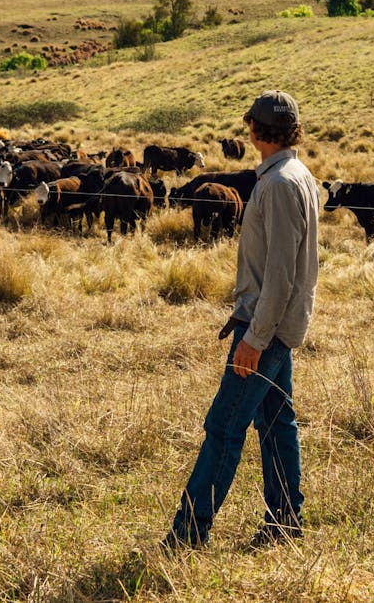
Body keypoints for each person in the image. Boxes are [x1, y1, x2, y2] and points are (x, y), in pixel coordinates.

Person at [162, 89, 319, 551]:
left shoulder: (277, 185)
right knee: (275, 422)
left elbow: (279, 277)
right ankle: (286, 521)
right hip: (278, 326)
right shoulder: (299, 176)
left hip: (264, 329)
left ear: (253, 129)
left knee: (225, 426)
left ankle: (188, 535)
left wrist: (254, 338)